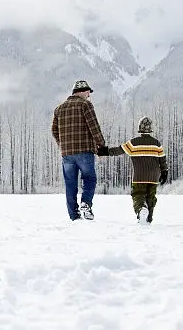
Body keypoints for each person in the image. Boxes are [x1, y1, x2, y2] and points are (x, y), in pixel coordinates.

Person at [51, 80, 106, 221]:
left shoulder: (59, 109)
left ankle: (73, 216)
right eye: (88, 92)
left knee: (70, 184)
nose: (89, 96)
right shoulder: (85, 105)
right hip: (84, 151)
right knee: (89, 178)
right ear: (82, 91)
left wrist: (62, 145)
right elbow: (94, 127)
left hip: (67, 154)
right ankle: (85, 204)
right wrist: (101, 145)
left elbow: (54, 131)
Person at [97, 116, 169, 224]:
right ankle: (148, 219)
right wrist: (164, 172)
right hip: (154, 176)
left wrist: (105, 151)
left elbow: (118, 150)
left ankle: (141, 210)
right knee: (151, 197)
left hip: (139, 176)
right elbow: (162, 159)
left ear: (140, 128)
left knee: (138, 195)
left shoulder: (133, 143)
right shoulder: (156, 143)